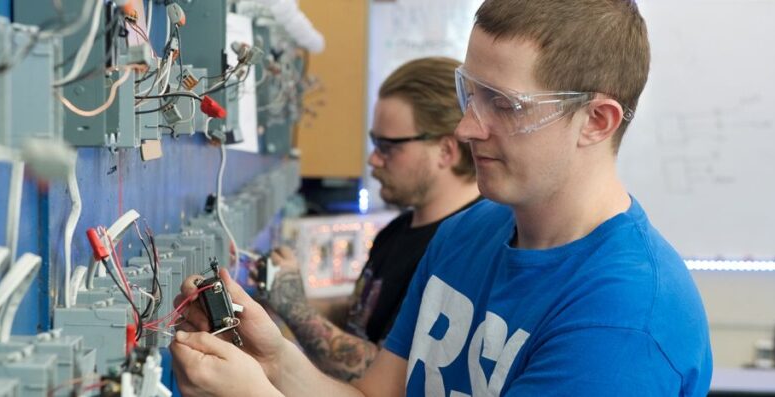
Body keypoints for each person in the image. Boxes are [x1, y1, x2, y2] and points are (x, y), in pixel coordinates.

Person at [168, 0, 714, 396]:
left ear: (596, 120)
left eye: (504, 104)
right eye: (469, 94)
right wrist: (275, 360)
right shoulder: (466, 233)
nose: (469, 127)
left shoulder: (625, 322)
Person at [261, 56, 482, 381]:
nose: (373, 158)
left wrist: (296, 309)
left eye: (388, 146)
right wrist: (281, 296)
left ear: (446, 151)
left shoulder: (462, 251)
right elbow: (361, 314)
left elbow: (378, 370)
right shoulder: (398, 230)